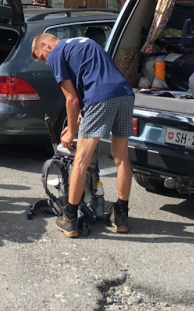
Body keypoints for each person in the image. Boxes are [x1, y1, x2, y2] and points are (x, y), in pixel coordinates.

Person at [32, 32, 135, 238]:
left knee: (81, 160)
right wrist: (77, 122)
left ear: (45, 44)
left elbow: (72, 100)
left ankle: (70, 218)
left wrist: (71, 132)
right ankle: (121, 215)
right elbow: (93, 81)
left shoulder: (55, 53)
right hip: (124, 94)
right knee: (121, 157)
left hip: (100, 97)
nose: (46, 62)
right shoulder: (83, 43)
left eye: (42, 57)